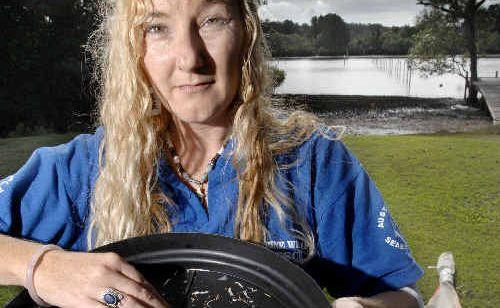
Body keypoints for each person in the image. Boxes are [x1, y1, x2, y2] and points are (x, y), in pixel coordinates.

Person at [0, 1, 424, 307]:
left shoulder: (314, 161)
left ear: (246, 30)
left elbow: (403, 293)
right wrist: (41, 266)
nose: (190, 58)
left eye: (212, 20)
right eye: (157, 27)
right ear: (133, 51)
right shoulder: (82, 170)